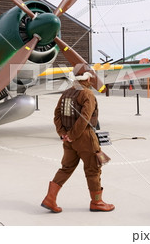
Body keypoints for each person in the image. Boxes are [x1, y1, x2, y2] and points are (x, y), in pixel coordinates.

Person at [41, 71, 114, 213]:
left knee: (66, 168)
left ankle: (50, 198)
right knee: (93, 170)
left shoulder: (66, 93)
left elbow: (57, 115)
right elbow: (85, 118)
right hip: (85, 138)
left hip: (68, 140)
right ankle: (97, 202)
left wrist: (63, 134)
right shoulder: (87, 94)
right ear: (87, 78)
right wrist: (73, 135)